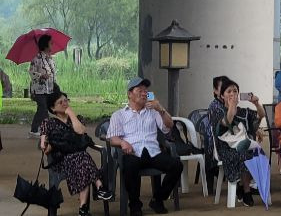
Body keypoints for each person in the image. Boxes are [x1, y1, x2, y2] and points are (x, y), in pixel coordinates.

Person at [107, 77, 183, 216]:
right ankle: (135, 206)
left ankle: (158, 199)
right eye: (140, 90)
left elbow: (169, 126)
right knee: (130, 166)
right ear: (130, 94)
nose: (144, 93)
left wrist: (160, 109)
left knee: (176, 165)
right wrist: (122, 142)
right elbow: (113, 138)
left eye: (145, 91)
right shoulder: (119, 115)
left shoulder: (153, 112)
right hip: (133, 152)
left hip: (153, 152)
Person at [40, 91, 114, 216]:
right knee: (82, 158)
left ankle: (83, 207)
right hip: (60, 160)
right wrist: (46, 144)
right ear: (53, 108)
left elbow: (81, 131)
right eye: (60, 102)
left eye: (66, 100)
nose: (65, 103)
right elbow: (44, 147)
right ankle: (99, 187)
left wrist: (71, 114)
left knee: (81, 160)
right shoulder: (48, 123)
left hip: (79, 160)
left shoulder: (77, 118)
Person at [209, 78, 266, 207]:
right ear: (222, 96)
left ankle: (245, 187)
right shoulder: (218, 111)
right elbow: (226, 123)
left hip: (243, 146)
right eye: (229, 91)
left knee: (257, 153)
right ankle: (246, 191)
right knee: (245, 154)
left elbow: (261, 115)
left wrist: (257, 103)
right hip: (226, 149)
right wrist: (231, 107)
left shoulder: (243, 111)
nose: (233, 94)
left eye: (235, 91)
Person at [29, 34, 57, 137]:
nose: (52, 44)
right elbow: (31, 72)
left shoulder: (50, 59)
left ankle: (42, 129)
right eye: (50, 43)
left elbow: (53, 73)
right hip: (38, 89)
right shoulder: (37, 58)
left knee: (44, 109)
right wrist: (41, 75)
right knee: (43, 108)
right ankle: (35, 130)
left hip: (49, 89)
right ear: (45, 45)